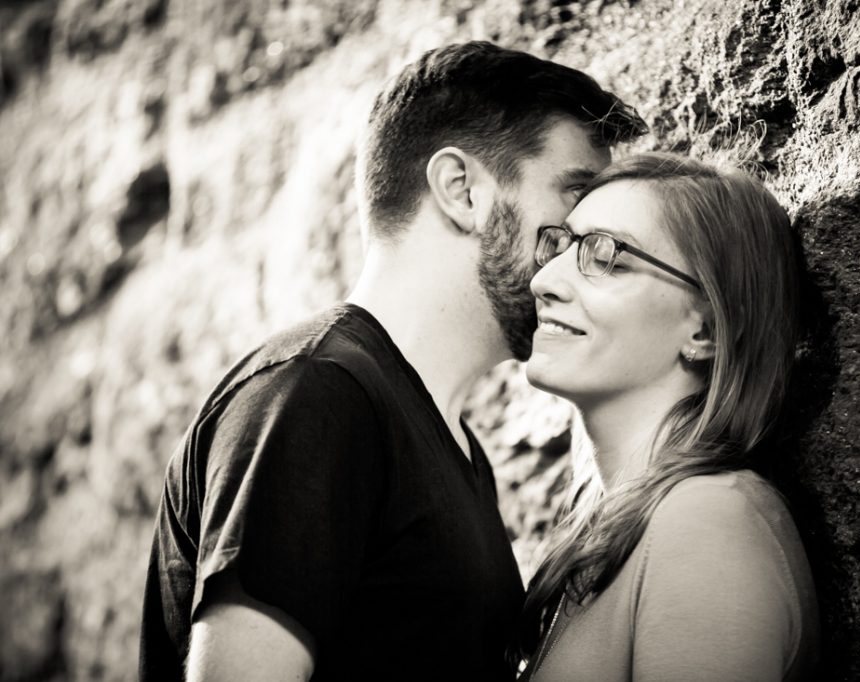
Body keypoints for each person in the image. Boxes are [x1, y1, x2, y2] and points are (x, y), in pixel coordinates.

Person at [139, 41, 647, 681]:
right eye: (572, 200)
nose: (581, 247)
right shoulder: (316, 398)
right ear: (461, 189)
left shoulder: (456, 447)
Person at [516, 152, 820, 680]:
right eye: (560, 246)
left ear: (705, 329)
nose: (545, 280)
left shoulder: (708, 522)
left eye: (607, 257)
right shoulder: (611, 520)